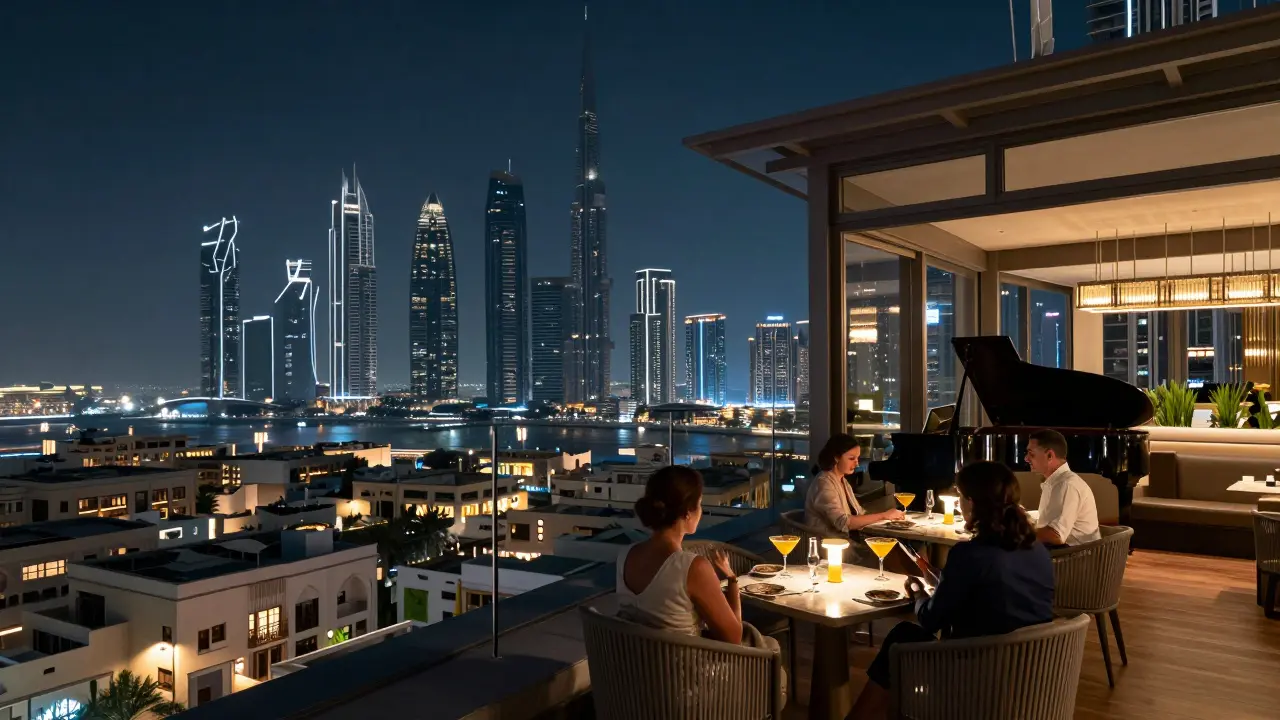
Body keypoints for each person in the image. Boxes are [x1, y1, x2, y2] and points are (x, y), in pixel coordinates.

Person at [846, 461, 1055, 720]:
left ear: (971, 502)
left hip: (977, 670)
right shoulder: (1037, 551)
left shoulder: (970, 554)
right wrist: (942, 581)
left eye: (960, 496)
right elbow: (995, 595)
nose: (958, 503)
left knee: (902, 637)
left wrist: (919, 593)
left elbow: (931, 620)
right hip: (1031, 669)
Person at [616, 465, 743, 643]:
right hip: (685, 661)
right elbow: (734, 638)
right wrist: (732, 581)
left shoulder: (625, 556)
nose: (701, 511)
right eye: (699, 504)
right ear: (687, 513)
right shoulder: (693, 568)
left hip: (634, 659)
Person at [806, 434, 904, 539]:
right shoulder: (824, 484)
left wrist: (887, 517)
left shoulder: (843, 481)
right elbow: (843, 522)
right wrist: (884, 515)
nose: (857, 464)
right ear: (836, 457)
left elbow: (859, 514)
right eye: (852, 458)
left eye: (857, 458)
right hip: (831, 544)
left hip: (848, 541)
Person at [1024, 428, 1101, 547]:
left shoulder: (1066, 485)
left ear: (1050, 455)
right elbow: (1047, 518)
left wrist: (1017, 533)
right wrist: (1023, 516)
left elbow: (1056, 535)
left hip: (1075, 556)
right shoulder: (1056, 482)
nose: (1026, 458)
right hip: (1064, 552)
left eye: (1031, 454)